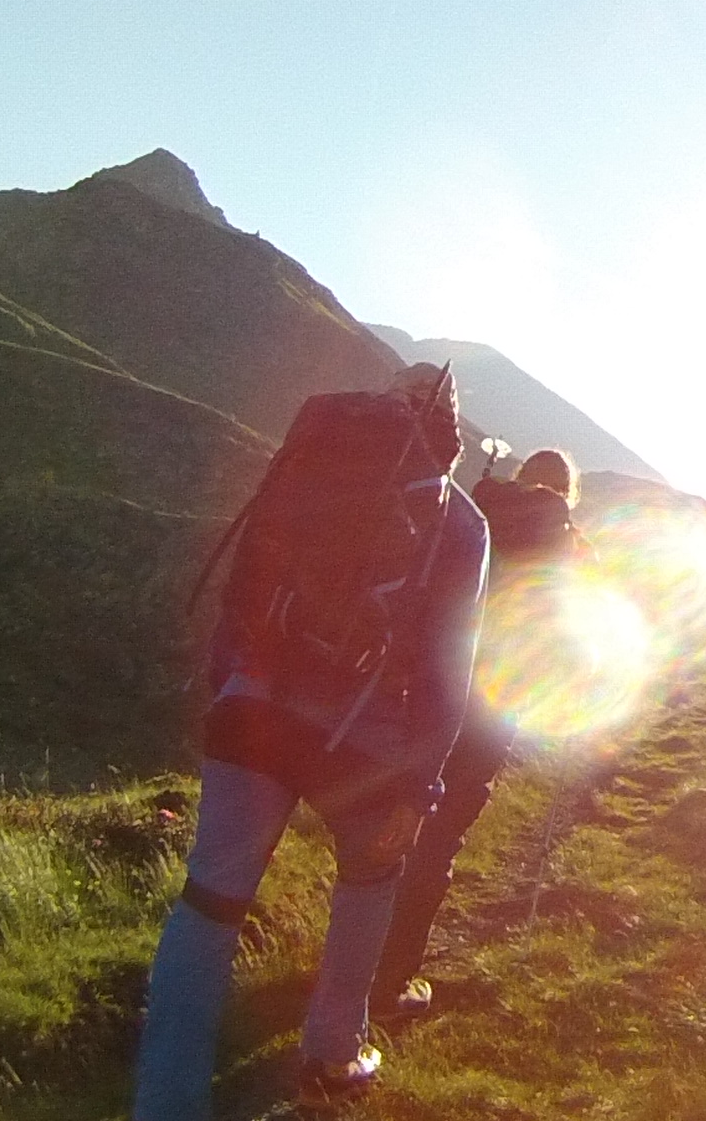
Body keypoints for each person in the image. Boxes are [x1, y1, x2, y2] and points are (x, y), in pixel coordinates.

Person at [132, 363, 490, 1118]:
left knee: (208, 904)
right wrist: (420, 788)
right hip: (364, 745)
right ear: (450, 434)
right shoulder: (459, 522)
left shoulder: (306, 470)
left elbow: (241, 595)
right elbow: (444, 672)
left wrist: (233, 685)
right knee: (368, 882)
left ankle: (166, 1102)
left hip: (253, 719)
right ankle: (333, 1050)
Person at [371, 445, 586, 1020]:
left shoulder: (478, 507)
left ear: (521, 480)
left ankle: (350, 956)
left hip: (427, 685)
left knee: (393, 814)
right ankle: (389, 985)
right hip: (495, 707)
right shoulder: (561, 541)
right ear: (566, 494)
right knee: (440, 838)